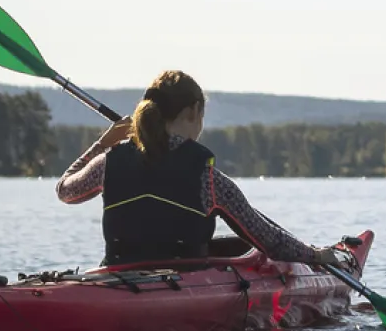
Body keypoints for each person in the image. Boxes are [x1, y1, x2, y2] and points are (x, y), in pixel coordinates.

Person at [55, 70, 350, 268]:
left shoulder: (109, 161)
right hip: (184, 285)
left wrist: (101, 144)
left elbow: (65, 191)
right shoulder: (207, 178)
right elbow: (267, 240)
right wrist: (315, 255)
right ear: (194, 111)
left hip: (117, 278)